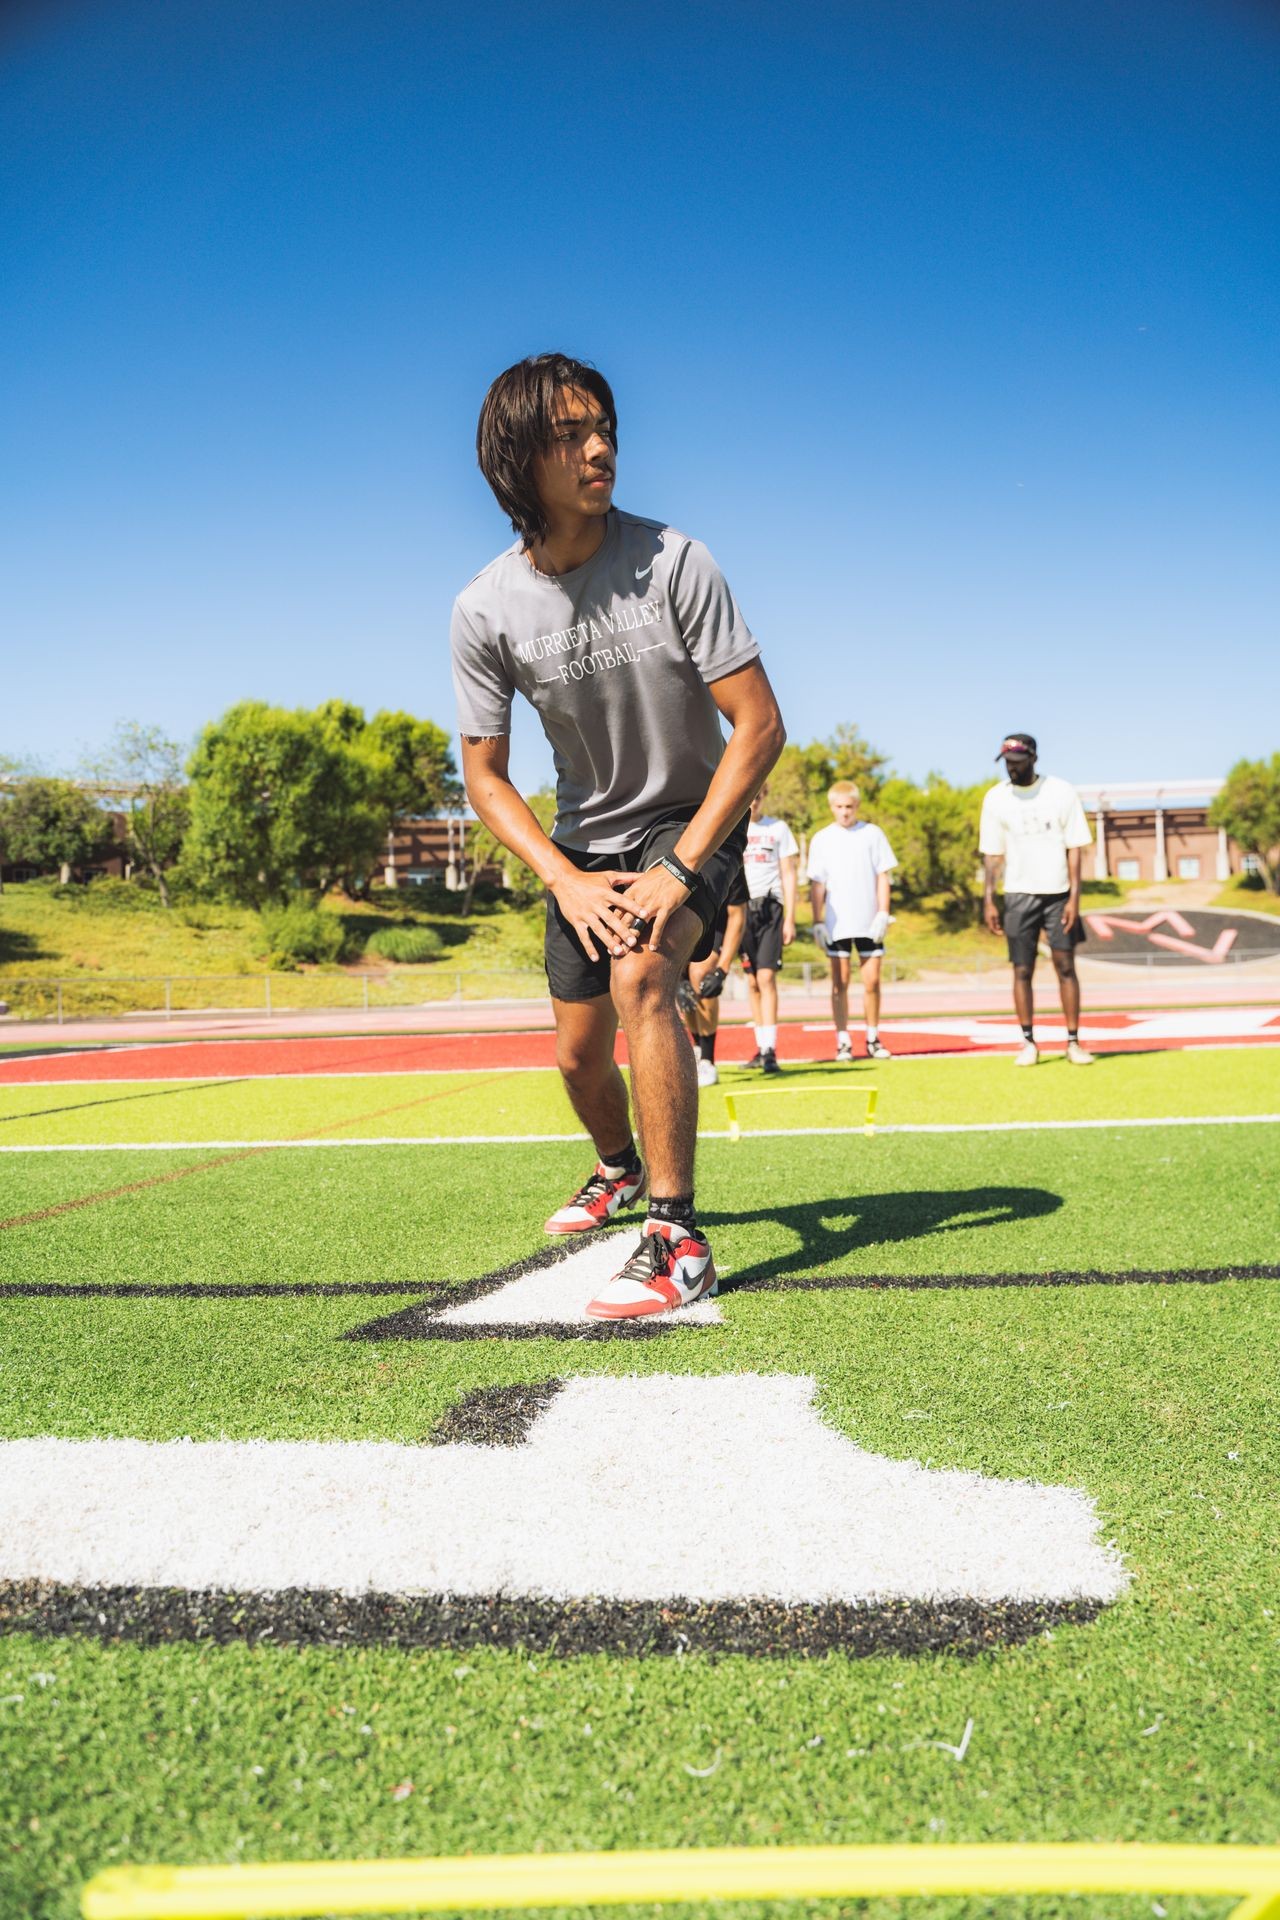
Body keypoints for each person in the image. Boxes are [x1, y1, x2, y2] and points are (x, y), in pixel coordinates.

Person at [450, 353, 785, 1319]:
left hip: (692, 814)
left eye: (604, 427)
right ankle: (617, 1165)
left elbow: (758, 727)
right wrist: (562, 877)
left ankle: (676, 1234)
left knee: (646, 976)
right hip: (581, 847)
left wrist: (683, 869)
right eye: (570, 434)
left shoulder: (676, 559)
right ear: (519, 456)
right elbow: (484, 774)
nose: (601, 447)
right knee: (576, 1060)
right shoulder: (483, 607)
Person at [980, 732, 1094, 1066]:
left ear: (1033, 759)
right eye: (1007, 764)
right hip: (1018, 894)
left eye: (1017, 763)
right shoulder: (995, 799)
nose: (1011, 770)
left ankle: (1073, 1042)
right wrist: (988, 899)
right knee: (1022, 969)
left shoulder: (1061, 792)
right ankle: (1028, 1042)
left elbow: (1075, 847)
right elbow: (991, 854)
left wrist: (1074, 897)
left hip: (1058, 893)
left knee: (1065, 966)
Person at [807, 782, 896, 1062]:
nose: (845, 812)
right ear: (832, 807)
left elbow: (883, 875)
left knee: (872, 982)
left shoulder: (873, 834)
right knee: (840, 982)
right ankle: (843, 1041)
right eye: (840, 807)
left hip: (869, 922)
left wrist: (883, 912)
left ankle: (872, 1038)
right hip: (837, 924)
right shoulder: (822, 838)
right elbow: (817, 884)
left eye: (849, 806)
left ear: (857, 806)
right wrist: (817, 920)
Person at [740, 789, 798, 1072]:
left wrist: (790, 918)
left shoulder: (777, 828)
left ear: (763, 797)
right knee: (751, 981)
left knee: (766, 978)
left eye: (757, 796)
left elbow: (789, 873)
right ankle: (760, 1047)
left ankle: (771, 1049)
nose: (752, 802)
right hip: (741, 911)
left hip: (770, 908)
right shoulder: (731, 826)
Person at [677, 865, 747, 1087]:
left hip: (715, 924)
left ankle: (708, 1061)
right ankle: (697, 1049)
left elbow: (737, 916)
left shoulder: (727, 859)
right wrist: (676, 980)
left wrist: (723, 968)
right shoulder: (671, 847)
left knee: (701, 974)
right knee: (686, 990)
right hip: (680, 922)